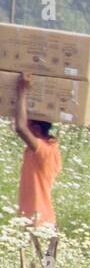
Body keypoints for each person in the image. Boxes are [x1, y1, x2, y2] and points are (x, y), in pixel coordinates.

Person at [13, 72, 62, 227]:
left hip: (39, 221)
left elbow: (20, 128)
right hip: (33, 219)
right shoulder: (42, 148)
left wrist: (22, 90)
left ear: (34, 128)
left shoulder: (45, 151)